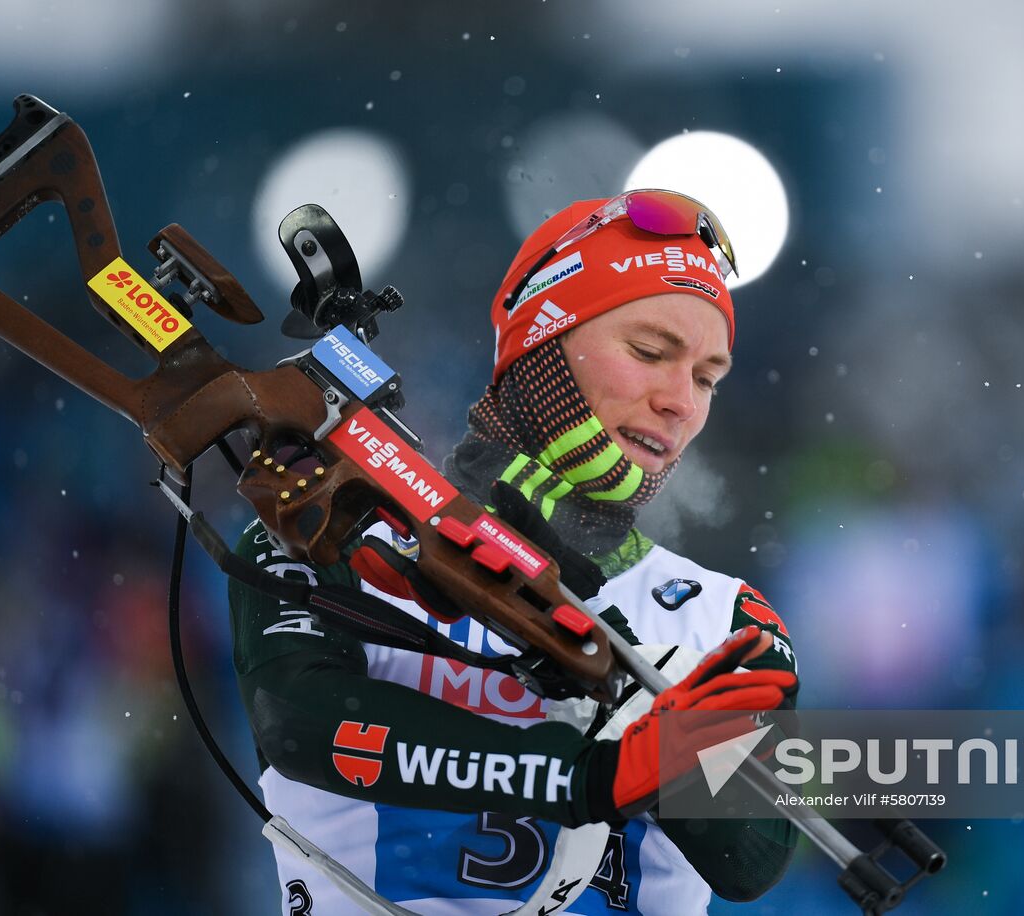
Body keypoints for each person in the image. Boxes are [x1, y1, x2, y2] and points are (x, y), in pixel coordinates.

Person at [229, 190, 801, 915]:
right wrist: (590, 777)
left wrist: (627, 677)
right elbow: (299, 723)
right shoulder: (329, 527)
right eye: (650, 352)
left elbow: (755, 856)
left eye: (706, 378)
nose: (681, 402)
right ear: (542, 348)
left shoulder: (723, 615)